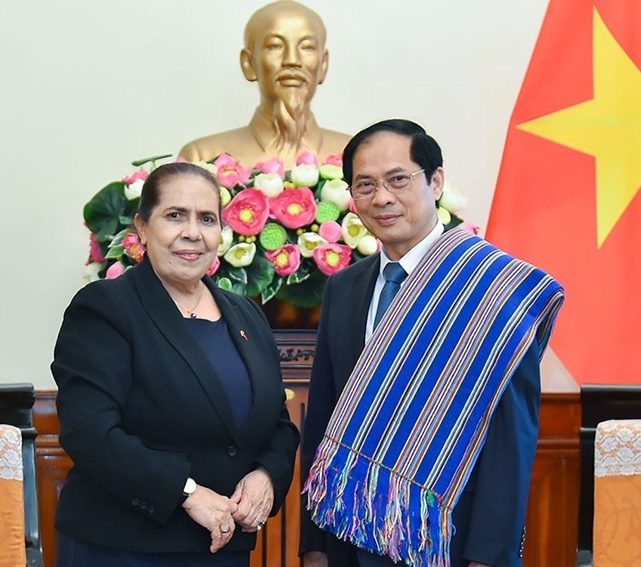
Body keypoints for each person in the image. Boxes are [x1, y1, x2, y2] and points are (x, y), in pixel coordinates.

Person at [299, 119, 564, 567]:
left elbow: (509, 440)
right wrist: (315, 547)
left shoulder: (493, 289)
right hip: (347, 536)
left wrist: (489, 557)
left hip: (446, 537)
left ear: (435, 182)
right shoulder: (344, 287)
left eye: (398, 179)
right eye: (365, 185)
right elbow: (323, 420)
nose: (382, 197)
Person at [51, 162, 300, 567]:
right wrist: (186, 492)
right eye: (175, 216)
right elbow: (89, 431)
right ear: (142, 227)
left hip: (222, 547)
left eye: (207, 219)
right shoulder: (106, 308)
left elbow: (278, 422)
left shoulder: (246, 314)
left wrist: (266, 475)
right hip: (124, 548)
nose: (193, 233)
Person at [179, 0, 350, 169]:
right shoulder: (202, 157)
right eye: (275, 46)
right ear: (249, 63)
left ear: (323, 64)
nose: (292, 60)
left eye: (307, 47)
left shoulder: (354, 155)